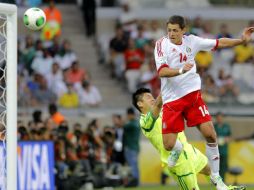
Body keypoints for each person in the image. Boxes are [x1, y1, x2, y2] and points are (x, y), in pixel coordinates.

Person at [154, 15, 254, 189]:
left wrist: (241, 40)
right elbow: (162, 72)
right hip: (171, 100)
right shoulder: (161, 45)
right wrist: (180, 70)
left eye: (175, 30)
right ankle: (178, 149)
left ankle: (216, 178)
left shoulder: (192, 41)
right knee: (169, 145)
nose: (171, 34)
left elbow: (218, 43)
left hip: (192, 96)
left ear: (184, 30)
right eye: (169, 30)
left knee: (211, 134)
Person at [132, 88, 245, 190]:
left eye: (152, 96)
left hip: (189, 151)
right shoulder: (144, 122)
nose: (152, 99)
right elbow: (157, 105)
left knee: (211, 171)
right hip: (178, 162)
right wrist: (167, 84)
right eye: (148, 97)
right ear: (140, 104)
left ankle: (224, 188)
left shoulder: (165, 110)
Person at [214, 112, 232, 181]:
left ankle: (223, 180)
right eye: (218, 118)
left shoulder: (226, 126)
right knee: (216, 166)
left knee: (224, 166)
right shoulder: (214, 126)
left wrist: (227, 139)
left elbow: (230, 136)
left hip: (224, 150)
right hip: (216, 150)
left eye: (221, 117)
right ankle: (216, 181)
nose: (219, 119)